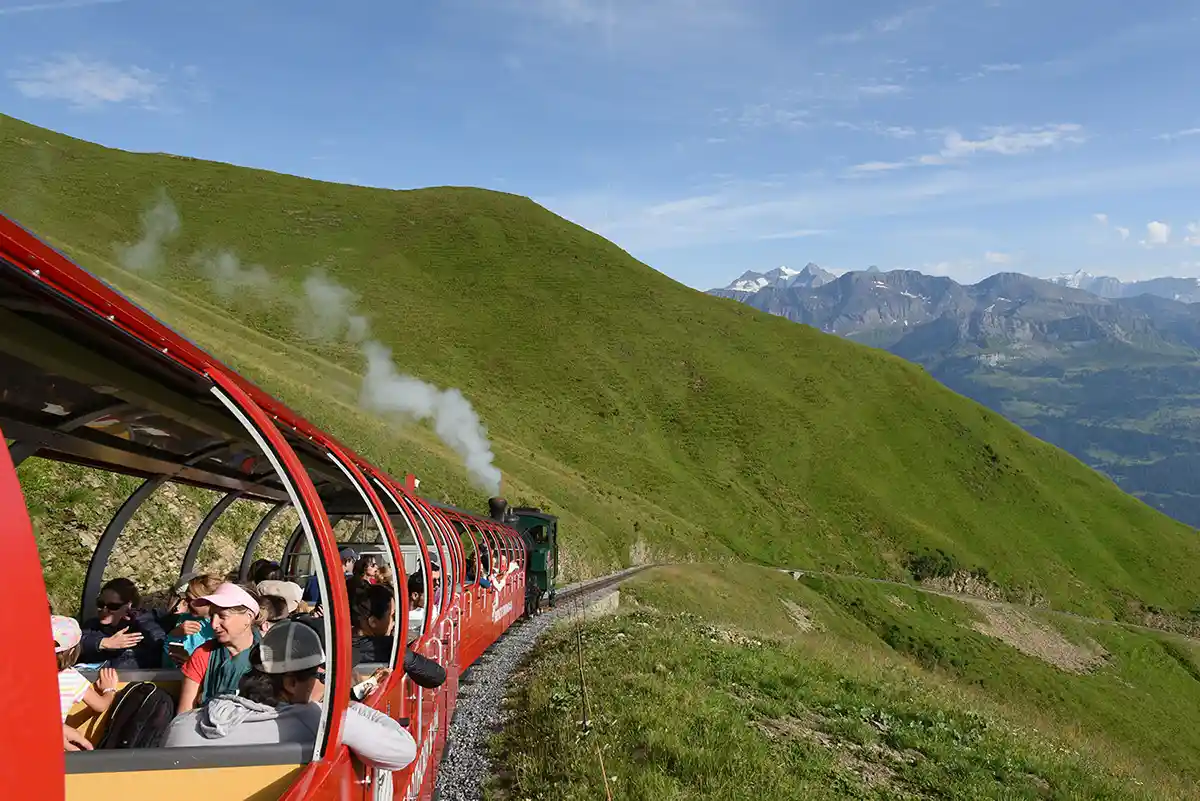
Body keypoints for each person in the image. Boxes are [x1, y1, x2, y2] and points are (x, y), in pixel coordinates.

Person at [162, 621, 418, 771]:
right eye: (323, 678)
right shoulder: (314, 723)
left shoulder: (185, 726)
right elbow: (403, 751)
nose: (327, 686)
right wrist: (344, 706)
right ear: (293, 683)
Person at [176, 583, 262, 714]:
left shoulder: (270, 657)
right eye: (212, 616)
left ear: (248, 617)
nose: (214, 624)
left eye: (222, 616)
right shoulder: (203, 654)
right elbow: (183, 714)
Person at [350, 583, 445, 689]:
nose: (394, 622)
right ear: (373, 622)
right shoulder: (387, 648)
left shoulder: (339, 645)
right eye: (392, 615)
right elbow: (438, 676)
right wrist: (405, 654)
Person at [79, 577, 166, 669]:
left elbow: (160, 646)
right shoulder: (92, 625)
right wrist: (102, 643)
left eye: (112, 606)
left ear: (128, 606)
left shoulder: (144, 625)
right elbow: (74, 644)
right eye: (100, 604)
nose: (104, 610)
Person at [53, 615, 119, 722]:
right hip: (51, 736)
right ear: (71, 652)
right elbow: (101, 705)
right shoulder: (70, 678)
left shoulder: (24, 673)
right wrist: (109, 690)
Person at [162, 574, 221, 668]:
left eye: (191, 600)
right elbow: (167, 663)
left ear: (210, 602)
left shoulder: (223, 627)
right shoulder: (185, 620)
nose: (187, 604)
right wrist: (174, 635)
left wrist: (191, 663)